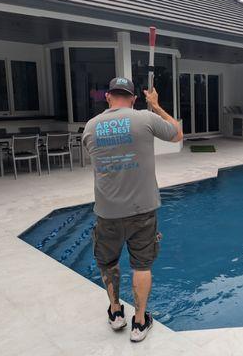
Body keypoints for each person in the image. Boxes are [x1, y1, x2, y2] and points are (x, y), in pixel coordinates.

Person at [82, 77, 183, 342]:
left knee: (108, 262)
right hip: (142, 210)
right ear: (134, 98)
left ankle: (116, 313)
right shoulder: (144, 119)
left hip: (107, 212)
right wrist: (157, 106)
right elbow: (177, 134)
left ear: (108, 97)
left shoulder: (91, 127)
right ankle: (139, 323)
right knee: (141, 266)